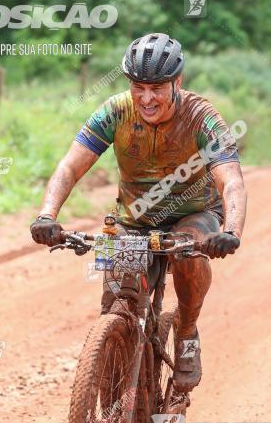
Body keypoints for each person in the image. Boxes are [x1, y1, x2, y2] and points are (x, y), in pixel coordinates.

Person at [30, 32, 247, 391]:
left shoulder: (202, 117)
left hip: (191, 214)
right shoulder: (115, 111)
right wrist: (46, 215)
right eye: (138, 87)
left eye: (157, 88)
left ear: (177, 82)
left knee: (191, 253)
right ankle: (113, 383)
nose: (147, 98)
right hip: (134, 219)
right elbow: (70, 166)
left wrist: (231, 231)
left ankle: (188, 331)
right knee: (116, 302)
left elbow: (231, 182)